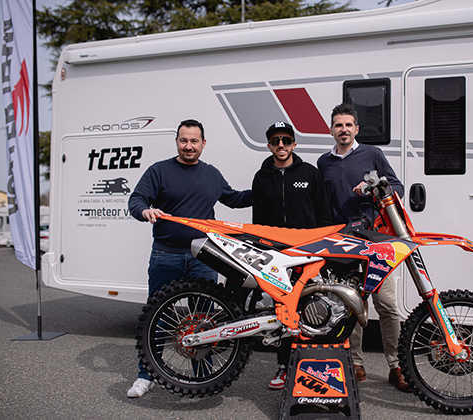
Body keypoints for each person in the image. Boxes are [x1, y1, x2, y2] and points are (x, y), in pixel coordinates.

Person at [126, 118, 252, 398]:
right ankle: (146, 375)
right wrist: (145, 211)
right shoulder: (159, 171)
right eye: (184, 140)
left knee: (203, 321)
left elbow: (234, 199)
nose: (189, 146)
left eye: (194, 141)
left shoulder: (211, 174)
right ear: (176, 142)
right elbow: (136, 200)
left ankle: (203, 376)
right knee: (157, 318)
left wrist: (268, 189)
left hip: (204, 257)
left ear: (203, 144)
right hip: (166, 255)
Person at [317, 103, 411, 392]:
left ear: (356, 129)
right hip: (343, 244)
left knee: (387, 305)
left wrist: (374, 188)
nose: (343, 130)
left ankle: (397, 366)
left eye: (348, 125)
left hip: (376, 241)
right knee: (351, 306)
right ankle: (355, 363)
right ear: (331, 130)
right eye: (338, 125)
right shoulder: (323, 163)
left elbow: (397, 187)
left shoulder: (373, 154)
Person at [252, 121, 333, 390]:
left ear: (294, 144)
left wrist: (324, 249)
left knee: (313, 311)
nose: (281, 145)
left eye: (286, 140)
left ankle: (315, 367)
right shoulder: (261, 177)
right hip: (278, 257)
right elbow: (257, 222)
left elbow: (324, 214)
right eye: (275, 140)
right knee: (283, 313)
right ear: (269, 146)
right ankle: (284, 367)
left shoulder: (310, 173)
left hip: (309, 254)